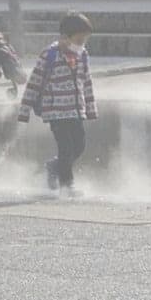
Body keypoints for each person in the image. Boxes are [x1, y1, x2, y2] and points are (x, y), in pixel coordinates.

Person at [18, 11, 97, 195]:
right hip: (55, 112)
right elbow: (34, 82)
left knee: (79, 146)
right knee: (65, 147)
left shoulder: (82, 55)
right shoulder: (50, 55)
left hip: (76, 110)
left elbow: (86, 82)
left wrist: (91, 109)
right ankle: (66, 185)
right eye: (78, 39)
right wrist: (24, 109)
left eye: (84, 40)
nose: (81, 43)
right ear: (65, 37)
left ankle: (54, 166)